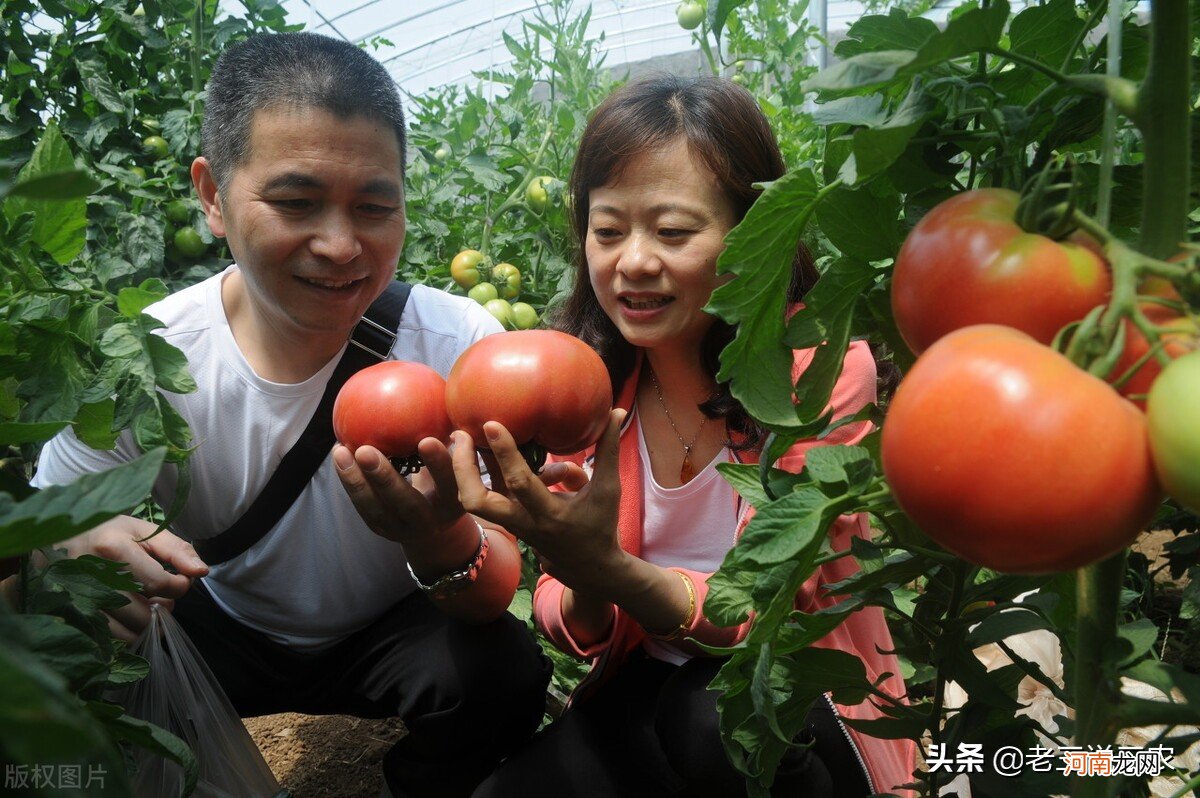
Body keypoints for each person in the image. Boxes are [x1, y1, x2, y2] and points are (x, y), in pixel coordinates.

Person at [30, 32, 550, 798]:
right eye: (295, 202)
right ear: (211, 195)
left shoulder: (461, 346)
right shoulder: (149, 360)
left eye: (375, 206)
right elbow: (40, 531)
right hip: (220, 628)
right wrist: (73, 545)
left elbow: (495, 584)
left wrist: (439, 538)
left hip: (392, 629)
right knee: (76, 655)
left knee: (499, 672)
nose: (341, 246)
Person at [451, 75, 916, 797]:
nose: (633, 260)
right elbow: (565, 616)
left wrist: (606, 566)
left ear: (754, 232)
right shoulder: (586, 378)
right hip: (646, 685)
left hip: (795, 694)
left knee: (713, 719)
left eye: (673, 231)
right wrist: (577, 575)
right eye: (607, 231)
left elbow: (766, 609)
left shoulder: (817, 369)